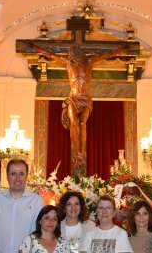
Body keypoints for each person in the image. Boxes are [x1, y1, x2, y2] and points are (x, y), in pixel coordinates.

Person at [25, 41, 129, 175]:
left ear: (81, 55)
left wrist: (120, 50)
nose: (74, 58)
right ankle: (77, 152)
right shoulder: (69, 63)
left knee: (82, 122)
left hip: (85, 99)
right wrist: (36, 47)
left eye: (76, 56)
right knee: (74, 122)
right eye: (72, 56)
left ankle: (81, 151)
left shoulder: (89, 62)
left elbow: (106, 55)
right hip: (73, 99)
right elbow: (51, 54)